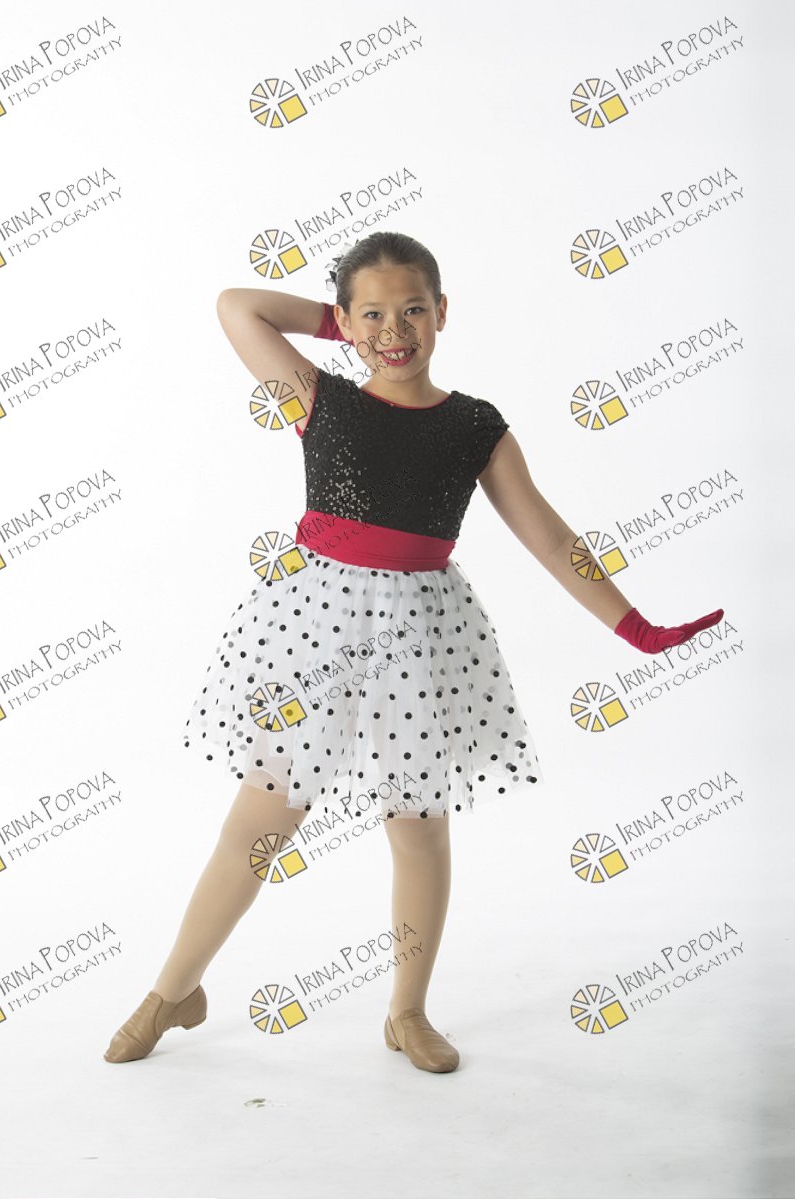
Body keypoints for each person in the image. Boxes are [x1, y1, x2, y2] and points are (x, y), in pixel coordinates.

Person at [103, 231, 723, 1073]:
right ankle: (173, 991)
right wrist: (339, 323)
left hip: (421, 637)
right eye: (372, 315)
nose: (394, 330)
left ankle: (407, 1009)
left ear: (442, 313)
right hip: (316, 630)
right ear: (344, 322)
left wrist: (635, 626)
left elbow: (549, 537)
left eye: (413, 311)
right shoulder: (319, 397)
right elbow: (237, 307)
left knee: (419, 827)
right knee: (260, 821)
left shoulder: (475, 426)